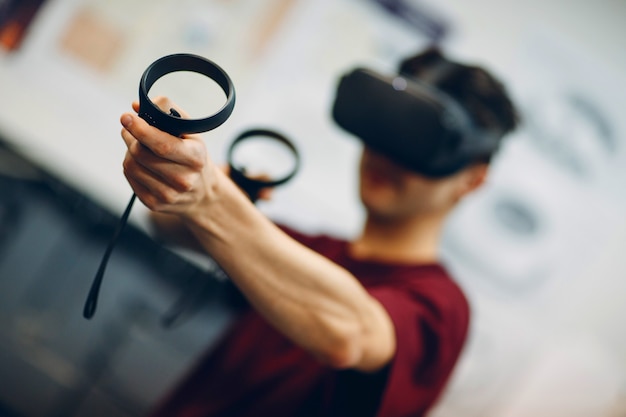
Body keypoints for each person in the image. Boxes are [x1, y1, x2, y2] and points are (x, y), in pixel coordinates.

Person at [119, 47, 519, 417]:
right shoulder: (309, 249)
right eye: (387, 130)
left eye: (417, 142)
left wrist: (212, 201)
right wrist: (175, 184)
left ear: (472, 181)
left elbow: (348, 336)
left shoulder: (442, 308)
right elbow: (169, 226)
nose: (385, 155)